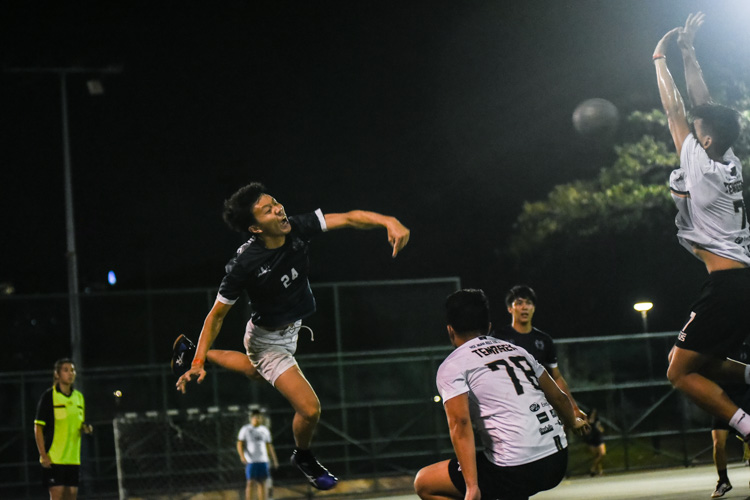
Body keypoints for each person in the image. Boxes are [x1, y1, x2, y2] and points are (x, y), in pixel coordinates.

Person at [174, 182, 410, 490]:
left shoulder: (297, 227)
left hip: (291, 329)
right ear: (254, 228)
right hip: (267, 341)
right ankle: (303, 456)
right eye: (267, 209)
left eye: (276, 202)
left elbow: (350, 218)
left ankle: (192, 351)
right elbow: (216, 315)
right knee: (309, 408)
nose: (278, 208)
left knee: (253, 371)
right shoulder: (244, 265)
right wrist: (199, 363)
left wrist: (387, 221)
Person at [654, 13, 750, 444]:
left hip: (728, 285)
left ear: (705, 141)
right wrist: (690, 52)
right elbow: (703, 106)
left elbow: (677, 108)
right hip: (738, 279)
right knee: (693, 360)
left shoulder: (702, 168)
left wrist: (659, 59)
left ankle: (748, 428)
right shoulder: (728, 161)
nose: (690, 131)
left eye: (697, 132)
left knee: (677, 371)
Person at [414, 289, 588, 500]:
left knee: (424, 482)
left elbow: (460, 423)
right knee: (506, 477)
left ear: (450, 330)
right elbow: (559, 396)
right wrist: (574, 421)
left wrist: (472, 486)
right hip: (557, 461)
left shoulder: (452, 365)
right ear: (488, 328)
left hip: (515, 468)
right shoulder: (518, 351)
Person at [491, 285, 587, 421]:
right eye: (519, 303)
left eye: (529, 303)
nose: (524, 307)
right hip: (509, 410)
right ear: (510, 308)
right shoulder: (498, 338)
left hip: (539, 407)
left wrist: (574, 408)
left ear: (534, 308)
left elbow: (556, 377)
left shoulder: (544, 340)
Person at [34, 358, 93, 500]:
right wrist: (43, 454)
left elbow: (80, 423)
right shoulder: (49, 397)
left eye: (72, 370)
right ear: (57, 375)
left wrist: (86, 428)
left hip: (73, 459)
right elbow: (38, 427)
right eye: (65, 370)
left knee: (71, 495)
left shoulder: (79, 398)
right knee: (57, 494)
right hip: (55, 458)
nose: (70, 373)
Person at [709, 342, 750, 498]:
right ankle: (723, 481)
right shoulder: (719, 348)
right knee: (718, 443)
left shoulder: (746, 347)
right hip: (723, 400)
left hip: (745, 399)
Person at [237, 410, 279, 500]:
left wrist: (274, 459)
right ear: (251, 418)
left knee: (262, 483)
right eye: (255, 417)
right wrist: (242, 456)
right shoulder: (246, 429)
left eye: (259, 417)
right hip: (251, 461)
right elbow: (239, 443)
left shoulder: (265, 430)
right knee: (250, 482)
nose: (257, 419)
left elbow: (269, 445)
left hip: (263, 460)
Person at [581, 408, 605, 477]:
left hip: (599, 438)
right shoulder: (587, 421)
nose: (593, 415)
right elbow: (585, 431)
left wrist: (599, 428)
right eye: (592, 413)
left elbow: (602, 430)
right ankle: (600, 471)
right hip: (591, 439)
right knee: (596, 456)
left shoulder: (597, 421)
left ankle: (593, 469)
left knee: (602, 454)